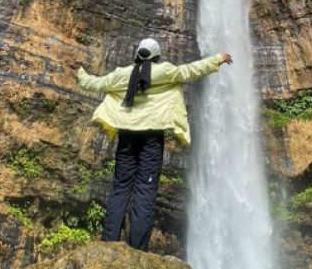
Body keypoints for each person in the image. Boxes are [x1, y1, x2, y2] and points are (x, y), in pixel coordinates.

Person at [76, 38, 233, 250]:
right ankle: (138, 250)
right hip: (151, 138)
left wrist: (79, 70)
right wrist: (218, 59)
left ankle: (109, 243)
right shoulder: (164, 72)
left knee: (121, 188)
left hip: (127, 137)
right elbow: (191, 71)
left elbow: (94, 83)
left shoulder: (122, 74)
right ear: (156, 56)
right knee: (145, 190)